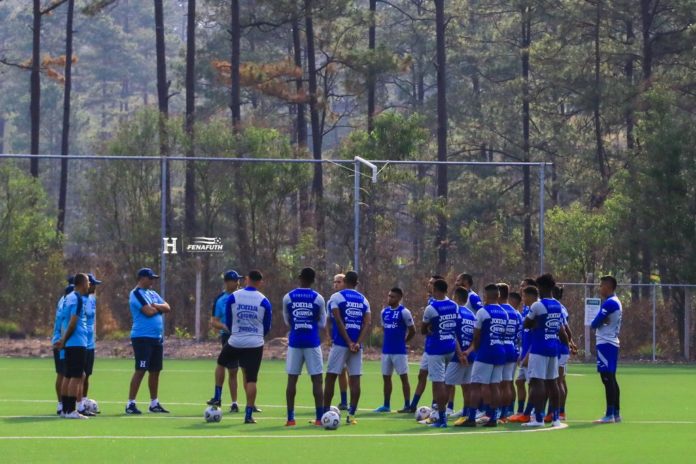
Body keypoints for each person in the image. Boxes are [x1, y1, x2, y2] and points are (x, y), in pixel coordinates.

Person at [214, 270, 272, 424]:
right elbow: (267, 326)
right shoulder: (264, 300)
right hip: (255, 344)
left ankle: (217, 396)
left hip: (236, 340)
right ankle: (248, 415)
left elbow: (229, 319)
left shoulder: (234, 296)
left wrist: (237, 331)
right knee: (251, 379)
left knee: (221, 363)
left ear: (247, 279)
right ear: (260, 282)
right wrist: (257, 335)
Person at [324, 271, 371, 425]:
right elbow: (367, 323)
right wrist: (357, 342)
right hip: (357, 346)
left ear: (344, 282)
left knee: (331, 377)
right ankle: (351, 415)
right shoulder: (364, 300)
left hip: (340, 344)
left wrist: (348, 341)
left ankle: (324, 414)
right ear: (357, 283)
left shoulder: (336, 297)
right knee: (355, 379)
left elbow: (337, 320)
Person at [522, 274, 568, 428]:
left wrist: (535, 323)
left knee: (537, 382)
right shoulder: (557, 305)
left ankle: (539, 418)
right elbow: (562, 331)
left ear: (542, 288)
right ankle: (555, 419)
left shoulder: (537, 305)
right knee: (553, 382)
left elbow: (526, 324)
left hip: (539, 347)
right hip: (553, 348)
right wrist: (567, 346)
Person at [282, 267, 326, 426]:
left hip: (295, 342)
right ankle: (319, 418)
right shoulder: (318, 298)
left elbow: (287, 321)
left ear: (299, 278)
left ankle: (290, 418)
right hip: (312, 342)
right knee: (317, 380)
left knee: (292, 379)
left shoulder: (288, 297)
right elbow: (323, 323)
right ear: (313, 280)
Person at [460, 284, 508, 427]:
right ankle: (493, 418)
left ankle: (472, 418)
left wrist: (476, 348)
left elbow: (476, 335)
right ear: (498, 296)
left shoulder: (482, 312)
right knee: (495, 386)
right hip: (500, 351)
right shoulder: (504, 312)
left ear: (486, 296)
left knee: (475, 385)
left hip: (486, 352)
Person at [126, 268, 172, 415]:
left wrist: (156, 306)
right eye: (150, 278)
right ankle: (130, 404)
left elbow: (167, 307)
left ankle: (154, 403)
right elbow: (148, 311)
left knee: (155, 371)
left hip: (156, 338)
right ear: (142, 279)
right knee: (140, 370)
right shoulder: (136, 294)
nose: (152, 281)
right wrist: (157, 308)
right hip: (142, 338)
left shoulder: (152, 293)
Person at [421, 279, 462, 428]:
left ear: (436, 290)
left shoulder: (431, 308)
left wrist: (430, 329)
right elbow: (456, 328)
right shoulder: (454, 305)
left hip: (436, 349)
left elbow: (423, 330)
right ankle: (442, 412)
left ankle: (442, 419)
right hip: (450, 347)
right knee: (446, 383)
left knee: (439, 384)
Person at [53, 273, 90, 419]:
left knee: (68, 376)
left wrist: (63, 340)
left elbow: (63, 320)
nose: (89, 285)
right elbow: (73, 322)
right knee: (75, 376)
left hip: (69, 343)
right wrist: (64, 340)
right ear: (82, 283)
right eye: (87, 282)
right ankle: (71, 411)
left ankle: (65, 409)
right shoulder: (77, 299)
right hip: (76, 342)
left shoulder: (67, 298)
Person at [207, 270, 244, 412]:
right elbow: (214, 321)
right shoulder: (221, 299)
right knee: (231, 368)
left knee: (246, 369)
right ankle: (219, 397)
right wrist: (223, 326)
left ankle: (243, 403)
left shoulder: (243, 296)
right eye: (235, 280)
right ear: (228, 282)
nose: (238, 283)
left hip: (244, 336)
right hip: (229, 337)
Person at [374, 287, 415, 413]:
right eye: (389, 296)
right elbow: (385, 329)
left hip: (399, 352)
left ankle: (407, 405)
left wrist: (404, 342)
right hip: (386, 351)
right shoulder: (384, 312)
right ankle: (386, 405)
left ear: (399, 298)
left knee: (404, 378)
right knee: (386, 378)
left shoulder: (404, 312)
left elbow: (412, 330)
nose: (389, 298)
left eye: (392, 296)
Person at [407, 274, 443, 412]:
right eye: (429, 283)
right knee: (422, 374)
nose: (429, 285)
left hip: (438, 346)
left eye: (432, 283)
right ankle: (413, 405)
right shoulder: (430, 301)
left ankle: (436, 404)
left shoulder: (441, 303)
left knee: (437, 378)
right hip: (429, 346)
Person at [591, 275, 622, 424]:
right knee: (611, 378)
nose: (600, 288)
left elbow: (594, 323)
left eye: (601, 285)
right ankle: (616, 413)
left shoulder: (609, 303)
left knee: (607, 378)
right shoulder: (615, 302)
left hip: (606, 342)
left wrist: (600, 321)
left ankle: (609, 414)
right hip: (612, 342)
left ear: (608, 286)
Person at [448, 287, 477, 427]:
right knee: (467, 387)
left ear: (456, 297)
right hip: (470, 355)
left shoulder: (455, 311)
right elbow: (476, 337)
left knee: (445, 384)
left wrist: (460, 354)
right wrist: (468, 352)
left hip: (456, 356)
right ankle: (466, 414)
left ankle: (439, 415)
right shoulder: (472, 315)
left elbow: (453, 334)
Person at [78, 273, 102, 416]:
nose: (94, 287)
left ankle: (84, 401)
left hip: (90, 343)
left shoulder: (92, 299)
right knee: (80, 375)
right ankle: (77, 404)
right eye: (92, 284)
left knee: (87, 375)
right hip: (81, 342)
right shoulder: (79, 299)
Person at [498, 283, 523, 422]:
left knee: (496, 383)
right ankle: (507, 411)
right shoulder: (517, 314)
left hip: (499, 348)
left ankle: (496, 411)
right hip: (513, 349)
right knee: (508, 382)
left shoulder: (499, 310)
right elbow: (520, 335)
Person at [52, 278, 74, 416]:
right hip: (61, 343)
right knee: (64, 374)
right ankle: (62, 404)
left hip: (63, 342)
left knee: (65, 373)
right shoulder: (65, 306)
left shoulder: (64, 303)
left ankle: (63, 404)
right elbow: (63, 327)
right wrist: (62, 342)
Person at [328, 273, 350, 411]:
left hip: (350, 341)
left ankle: (349, 403)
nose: (336, 284)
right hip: (337, 341)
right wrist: (328, 336)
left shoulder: (350, 299)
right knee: (340, 371)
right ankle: (343, 401)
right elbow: (328, 320)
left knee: (351, 373)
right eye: (335, 281)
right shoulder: (331, 300)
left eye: (339, 281)